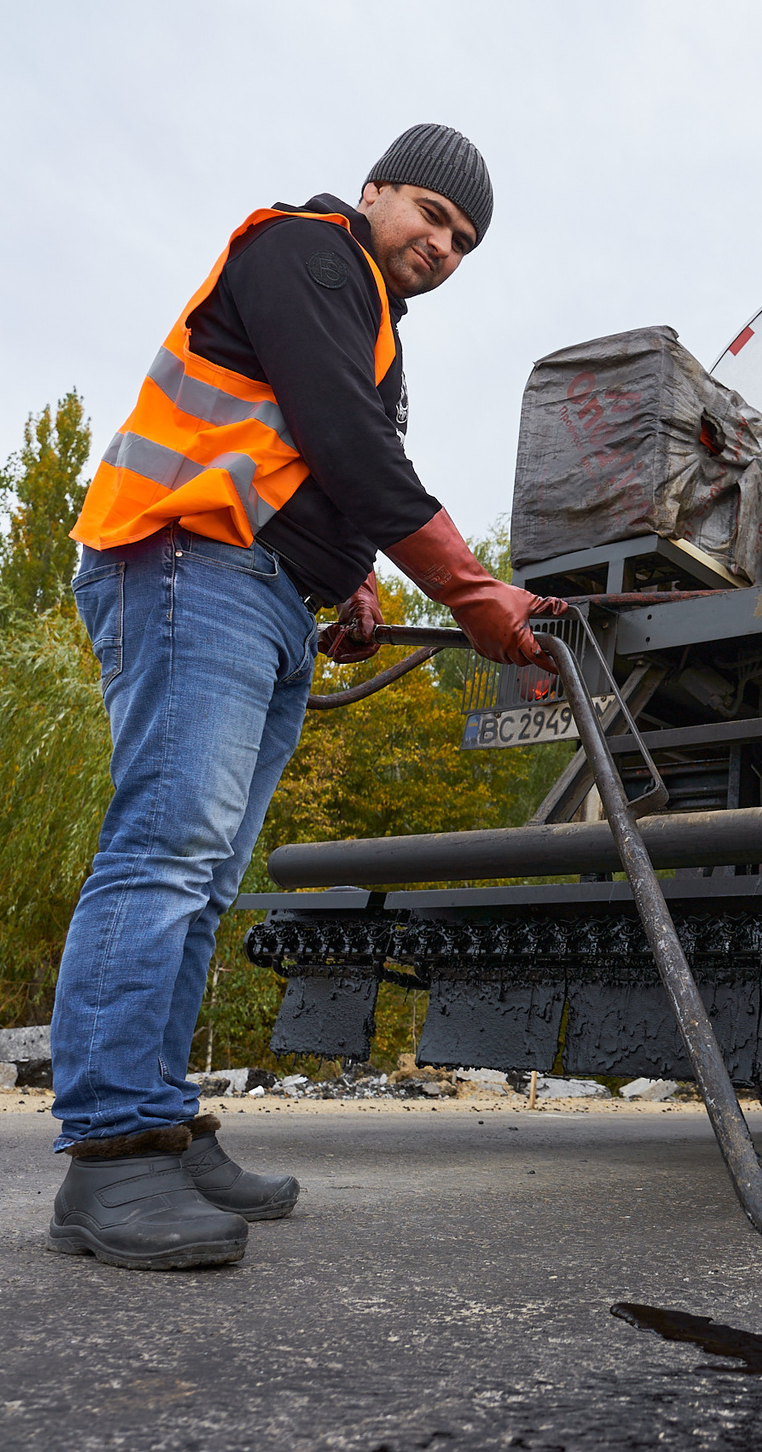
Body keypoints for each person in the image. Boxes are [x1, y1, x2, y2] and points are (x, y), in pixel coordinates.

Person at [45, 123, 564, 1270]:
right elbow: (341, 438)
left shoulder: (368, 324)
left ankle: (162, 1128)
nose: (443, 245)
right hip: (190, 563)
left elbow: (316, 461)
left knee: (208, 871)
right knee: (167, 853)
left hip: (262, 592)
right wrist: (468, 587)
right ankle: (110, 1158)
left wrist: (353, 581)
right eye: (430, 214)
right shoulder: (307, 249)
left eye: (465, 241)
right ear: (375, 190)